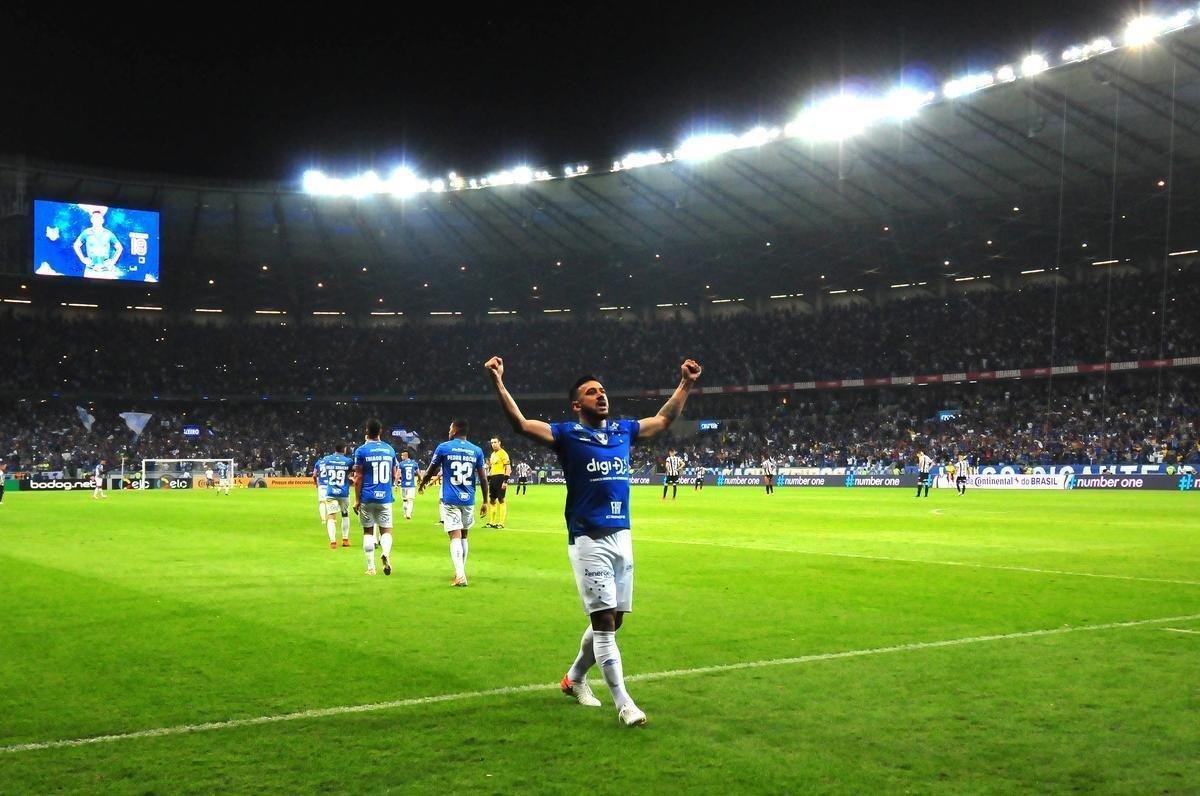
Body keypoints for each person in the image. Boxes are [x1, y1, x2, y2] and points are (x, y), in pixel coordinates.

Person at [485, 355, 702, 728]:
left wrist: (686, 383)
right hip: (588, 538)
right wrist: (499, 382)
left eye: (602, 391)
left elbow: (664, 420)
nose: (601, 396)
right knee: (603, 621)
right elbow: (521, 425)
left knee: (614, 621)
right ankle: (625, 703)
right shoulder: (567, 434)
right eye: (591, 392)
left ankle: (574, 679)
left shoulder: (623, 431)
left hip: (622, 536)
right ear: (576, 404)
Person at [418, 420, 488, 587]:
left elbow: (431, 470)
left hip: (450, 499)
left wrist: (422, 484)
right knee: (464, 535)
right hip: (469, 499)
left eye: (450, 428)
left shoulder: (444, 447)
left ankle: (460, 575)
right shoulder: (476, 450)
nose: (449, 430)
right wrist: (485, 501)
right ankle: (461, 571)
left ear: (455, 430)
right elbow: (483, 478)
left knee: (454, 536)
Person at [353, 419, 400, 576]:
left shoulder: (361, 451)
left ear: (367, 431)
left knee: (368, 532)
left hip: (367, 497)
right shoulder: (390, 450)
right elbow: (394, 475)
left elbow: (358, 477)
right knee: (386, 531)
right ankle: (385, 553)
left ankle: (371, 567)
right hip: (385, 497)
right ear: (380, 431)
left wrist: (357, 499)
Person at [72, 209, 123, 279]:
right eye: (95, 218)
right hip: (90, 270)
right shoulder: (86, 233)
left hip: (106, 271)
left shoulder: (108, 234)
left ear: (102, 220)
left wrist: (113, 261)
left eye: (99, 218)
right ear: (91, 220)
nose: (97, 220)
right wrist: (83, 259)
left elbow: (119, 248)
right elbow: (76, 245)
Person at [321, 444, 354, 547]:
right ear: (344, 449)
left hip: (330, 492)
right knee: (345, 515)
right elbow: (352, 472)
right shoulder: (348, 461)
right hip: (343, 492)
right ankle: (345, 540)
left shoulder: (327, 460)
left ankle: (333, 542)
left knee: (331, 516)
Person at [485, 437, 511, 528]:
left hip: (500, 478)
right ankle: (491, 522)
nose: (493, 444)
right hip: (493, 478)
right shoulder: (492, 454)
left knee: (501, 499)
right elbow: (491, 468)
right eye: (492, 442)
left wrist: (505, 481)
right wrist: (488, 477)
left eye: (495, 442)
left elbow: (508, 468)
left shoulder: (503, 453)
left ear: (499, 442)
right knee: (492, 500)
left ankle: (501, 523)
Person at [396, 449, 420, 521]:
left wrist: (396, 483)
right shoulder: (414, 463)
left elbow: (398, 474)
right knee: (410, 500)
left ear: (405, 455)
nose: (401, 456)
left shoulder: (401, 464)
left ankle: (405, 513)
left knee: (404, 500)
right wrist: (420, 479)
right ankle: (408, 514)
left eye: (402, 455)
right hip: (411, 485)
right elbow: (418, 473)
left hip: (403, 485)